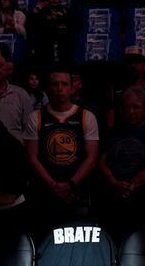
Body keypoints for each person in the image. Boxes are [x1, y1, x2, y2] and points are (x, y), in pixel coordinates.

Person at [24, 67, 99, 229]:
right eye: (55, 84)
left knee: (78, 244)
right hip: (45, 193)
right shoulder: (35, 117)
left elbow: (91, 159)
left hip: (77, 193)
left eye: (64, 84)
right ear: (48, 88)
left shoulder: (87, 116)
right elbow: (32, 157)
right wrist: (54, 186)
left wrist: (70, 185)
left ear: (72, 87)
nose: (60, 88)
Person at [98, 86, 145, 237]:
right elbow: (102, 162)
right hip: (114, 196)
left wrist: (132, 184)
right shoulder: (113, 132)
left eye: (136, 107)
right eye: (127, 107)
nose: (131, 111)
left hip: (143, 199)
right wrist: (115, 182)